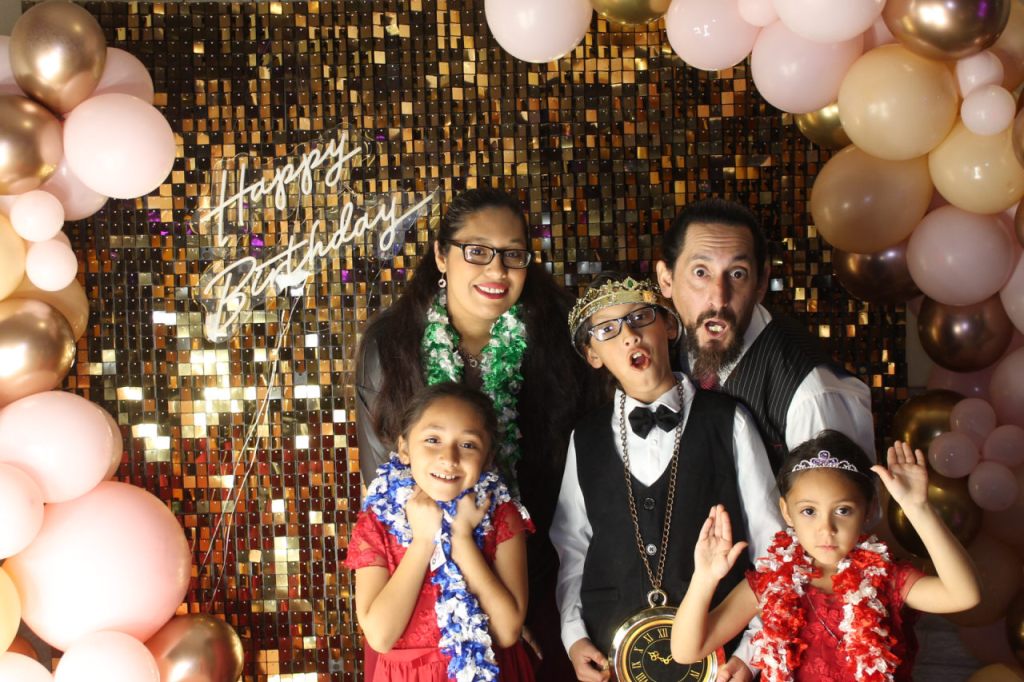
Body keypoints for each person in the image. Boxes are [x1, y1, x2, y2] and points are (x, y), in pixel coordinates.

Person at [356, 187, 592, 678]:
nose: (497, 270)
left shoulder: (558, 339)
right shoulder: (392, 343)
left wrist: (514, 603)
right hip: (416, 583)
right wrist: (457, 593)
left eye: (513, 254)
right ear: (442, 255)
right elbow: (383, 480)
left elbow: (574, 476)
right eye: (477, 251)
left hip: (534, 568)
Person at [550, 273, 782, 682]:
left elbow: (773, 545)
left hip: (718, 651)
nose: (629, 336)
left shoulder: (728, 421)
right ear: (592, 354)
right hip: (612, 656)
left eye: (640, 317)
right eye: (607, 330)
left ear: (670, 326)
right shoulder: (584, 437)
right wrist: (573, 636)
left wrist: (753, 652)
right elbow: (572, 547)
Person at [670, 430, 981, 682]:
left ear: (869, 510)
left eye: (843, 510)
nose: (826, 529)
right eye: (809, 511)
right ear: (786, 512)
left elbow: (964, 595)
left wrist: (917, 507)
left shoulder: (887, 578)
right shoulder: (771, 583)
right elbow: (686, 651)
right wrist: (704, 578)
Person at [655, 198, 874, 472]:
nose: (719, 298)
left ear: (760, 283)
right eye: (701, 272)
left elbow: (844, 499)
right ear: (666, 279)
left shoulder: (812, 396)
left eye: (737, 274)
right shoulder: (665, 347)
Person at [346, 382, 535, 681]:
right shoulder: (377, 520)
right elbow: (380, 636)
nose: (449, 458)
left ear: (487, 458)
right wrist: (423, 541)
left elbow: (507, 631)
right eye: (433, 440)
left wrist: (461, 539)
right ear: (404, 449)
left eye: (468, 445)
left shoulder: (500, 515)